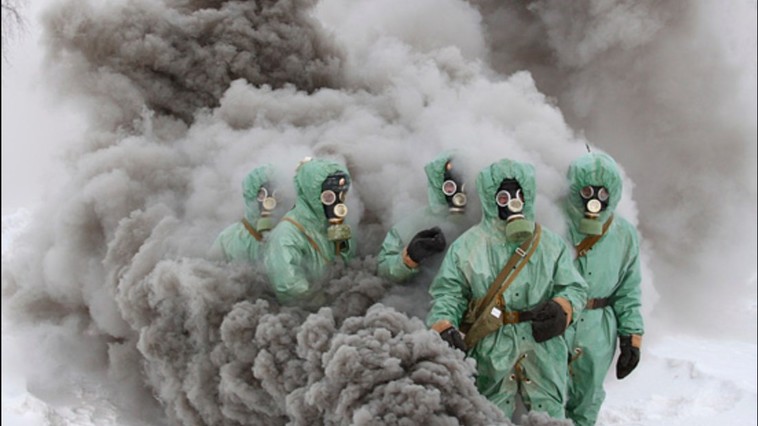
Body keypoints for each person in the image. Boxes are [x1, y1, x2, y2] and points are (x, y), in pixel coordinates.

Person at [426, 158, 587, 420]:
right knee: (491, 415)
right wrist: (444, 323)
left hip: (542, 342)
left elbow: (574, 286)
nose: (513, 203)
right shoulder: (468, 246)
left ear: (528, 196)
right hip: (492, 343)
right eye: (503, 197)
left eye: (519, 195)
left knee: (550, 415)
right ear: (491, 199)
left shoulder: (549, 245)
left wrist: (563, 308)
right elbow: (449, 292)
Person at [563, 152, 644, 426]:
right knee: (549, 394)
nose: (594, 199)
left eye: (602, 192)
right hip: (558, 320)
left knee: (588, 398)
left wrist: (631, 336)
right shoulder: (554, 223)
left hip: (598, 327)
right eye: (586, 191)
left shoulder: (623, 234)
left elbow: (628, 290)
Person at [264, 157, 355, 305]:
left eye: (341, 194)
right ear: (312, 194)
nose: (337, 202)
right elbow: (290, 287)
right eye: (329, 196)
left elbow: (347, 263)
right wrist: (327, 301)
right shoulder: (286, 236)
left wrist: (342, 239)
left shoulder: (331, 227)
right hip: (307, 313)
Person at [377, 151, 472, 283]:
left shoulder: (487, 223)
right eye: (450, 187)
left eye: (465, 184)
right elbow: (384, 270)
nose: (459, 192)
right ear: (439, 184)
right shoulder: (414, 224)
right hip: (425, 293)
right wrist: (409, 258)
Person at [210, 164, 280, 263]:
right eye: (262, 194)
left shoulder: (294, 237)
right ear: (251, 196)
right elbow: (207, 269)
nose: (269, 202)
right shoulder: (228, 239)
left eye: (277, 195)